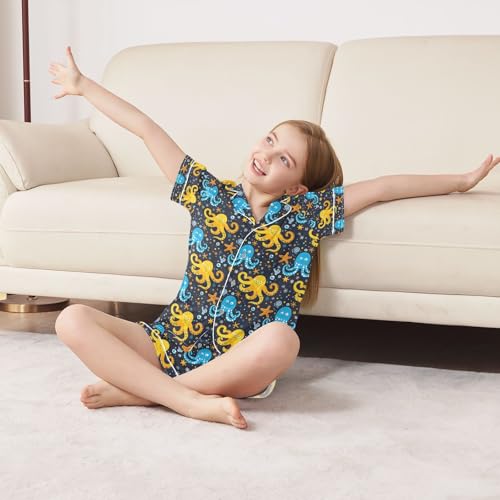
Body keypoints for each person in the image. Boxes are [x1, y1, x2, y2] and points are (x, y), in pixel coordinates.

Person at [49, 46, 499, 430]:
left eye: (284, 159)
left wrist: (461, 181)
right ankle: (181, 398)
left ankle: (146, 393)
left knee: (284, 339)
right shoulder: (208, 193)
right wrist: (84, 86)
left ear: (298, 187)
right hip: (167, 341)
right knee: (71, 319)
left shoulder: (306, 214)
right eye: (269, 140)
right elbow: (147, 128)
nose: (266, 154)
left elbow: (384, 187)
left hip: (238, 364)